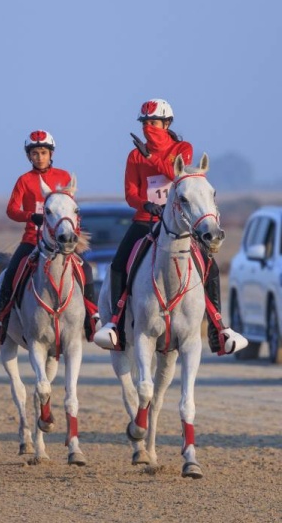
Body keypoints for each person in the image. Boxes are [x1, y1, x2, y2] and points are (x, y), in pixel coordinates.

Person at [93, 98, 248, 355]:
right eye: (144, 123)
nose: (148, 128)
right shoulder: (134, 156)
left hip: (180, 221)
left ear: (166, 123)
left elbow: (176, 173)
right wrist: (145, 204)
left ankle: (217, 328)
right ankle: (115, 325)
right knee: (119, 264)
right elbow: (130, 193)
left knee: (210, 267)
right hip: (146, 221)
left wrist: (151, 157)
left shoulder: (183, 148)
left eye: (153, 122)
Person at [0, 129, 100, 345]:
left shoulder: (63, 177)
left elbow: (72, 210)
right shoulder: (24, 180)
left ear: (50, 153)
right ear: (29, 156)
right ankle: (0, 323)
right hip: (31, 241)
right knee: (11, 274)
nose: (39, 157)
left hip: (61, 244)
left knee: (86, 270)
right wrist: (30, 216)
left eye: (43, 152)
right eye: (35, 154)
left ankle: (92, 320)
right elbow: (11, 210)